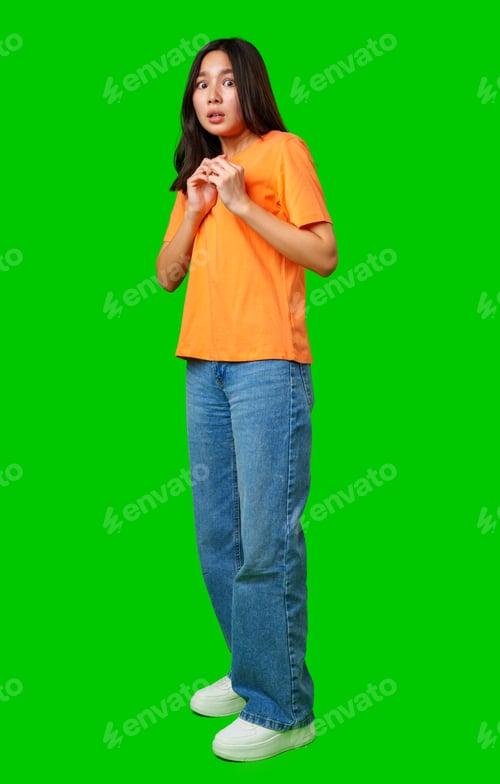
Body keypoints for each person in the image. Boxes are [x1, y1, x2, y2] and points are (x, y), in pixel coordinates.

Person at [156, 37, 338, 762]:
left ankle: (286, 710)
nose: (212, 94)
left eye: (227, 82)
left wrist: (240, 201)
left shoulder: (283, 153)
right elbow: (167, 275)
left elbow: (323, 254)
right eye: (202, 83)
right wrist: (201, 207)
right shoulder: (195, 176)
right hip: (205, 367)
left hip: (269, 366)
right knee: (220, 539)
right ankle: (251, 672)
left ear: (250, 90)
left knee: (266, 541)